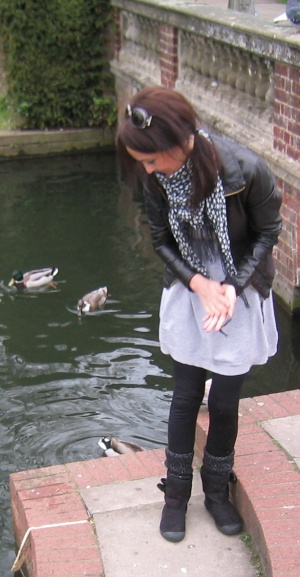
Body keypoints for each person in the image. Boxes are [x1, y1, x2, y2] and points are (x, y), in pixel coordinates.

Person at [117, 87, 282, 543]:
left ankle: (216, 490)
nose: (147, 170)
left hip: (238, 283)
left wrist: (232, 285)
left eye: (152, 160)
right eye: (142, 163)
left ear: (180, 140)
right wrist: (198, 284)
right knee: (186, 394)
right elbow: (161, 240)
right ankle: (175, 495)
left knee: (225, 400)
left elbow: (268, 230)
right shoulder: (156, 179)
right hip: (192, 283)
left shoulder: (245, 170)